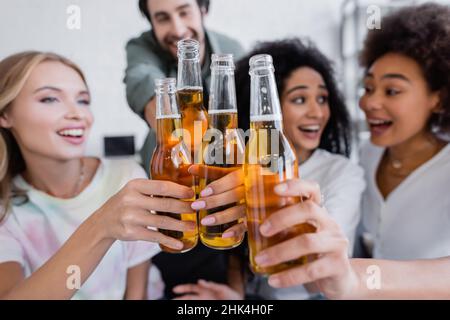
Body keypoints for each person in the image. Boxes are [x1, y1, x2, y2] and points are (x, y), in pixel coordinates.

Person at [173, 39, 366, 299]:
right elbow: (238, 254)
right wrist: (234, 299)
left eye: (322, 98)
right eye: (299, 99)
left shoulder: (343, 174)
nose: (317, 112)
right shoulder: (246, 156)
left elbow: (324, 280)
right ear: (264, 99)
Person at [0, 51, 200, 299]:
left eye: (83, 100)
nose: (77, 114)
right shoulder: (6, 210)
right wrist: (101, 226)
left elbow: (136, 293)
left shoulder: (125, 177)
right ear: (5, 115)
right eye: (50, 99)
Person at [124, 0, 246, 299]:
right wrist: (180, 138)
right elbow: (144, 82)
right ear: (151, 22)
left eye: (184, 11)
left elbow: (244, 135)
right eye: (163, 17)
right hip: (169, 198)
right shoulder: (142, 47)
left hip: (222, 196)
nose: (177, 29)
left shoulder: (233, 52)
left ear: (203, 10)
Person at [357, 2, 450, 260]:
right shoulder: (368, 155)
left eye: (392, 91)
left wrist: (361, 280)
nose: (369, 103)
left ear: (439, 99)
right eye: (367, 88)